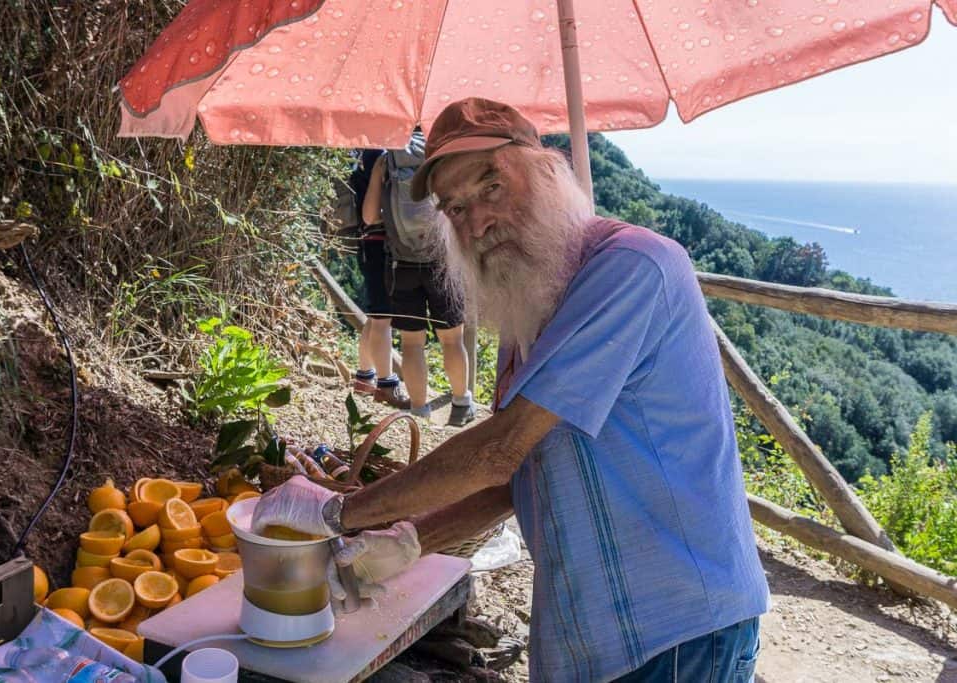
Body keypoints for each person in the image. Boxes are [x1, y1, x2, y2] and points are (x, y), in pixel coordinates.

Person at [254, 98, 769, 681]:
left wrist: (336, 513)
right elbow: (519, 474)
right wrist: (406, 543)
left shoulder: (635, 266)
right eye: (454, 208)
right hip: (589, 634)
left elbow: (503, 446)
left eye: (491, 186)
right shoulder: (532, 311)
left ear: (548, 170)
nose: (475, 222)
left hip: (677, 632)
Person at [363, 132, 474, 427]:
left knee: (411, 344)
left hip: (403, 265)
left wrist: (379, 174)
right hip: (442, 263)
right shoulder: (441, 153)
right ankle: (461, 404)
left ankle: (419, 410)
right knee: (452, 340)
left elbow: (369, 216)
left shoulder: (388, 159)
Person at [347, 148, 409, 409]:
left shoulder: (367, 153)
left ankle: (364, 377)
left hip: (367, 242)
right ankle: (387, 385)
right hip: (381, 244)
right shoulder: (383, 156)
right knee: (384, 318)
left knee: (376, 316)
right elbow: (374, 212)